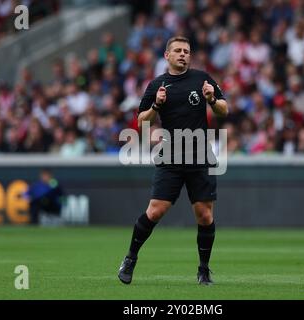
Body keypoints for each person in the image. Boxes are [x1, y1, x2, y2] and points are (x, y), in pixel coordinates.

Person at [118, 36, 228, 285]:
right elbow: (141, 122)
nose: (182, 54)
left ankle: (203, 270)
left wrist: (211, 99)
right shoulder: (157, 85)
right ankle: (130, 258)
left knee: (205, 215)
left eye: (186, 51)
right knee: (155, 211)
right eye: (177, 50)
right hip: (171, 155)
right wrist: (156, 105)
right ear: (167, 56)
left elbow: (224, 109)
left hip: (200, 154)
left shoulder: (203, 79)